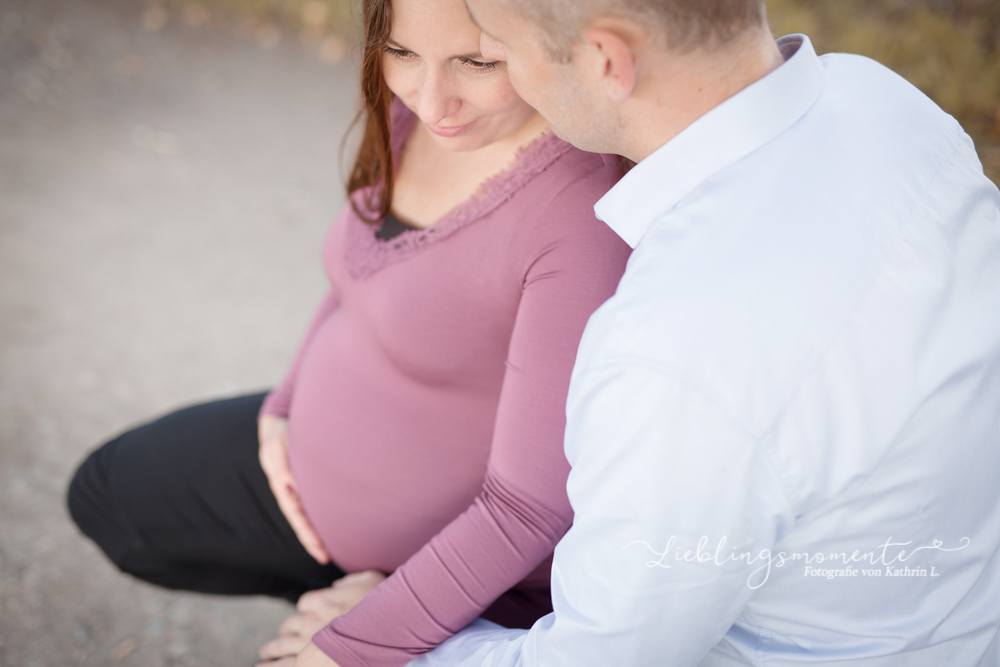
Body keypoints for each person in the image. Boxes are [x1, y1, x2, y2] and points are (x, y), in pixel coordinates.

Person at [291, 0, 1000, 666]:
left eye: (496, 48)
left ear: (606, 60)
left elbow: (600, 655)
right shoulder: (883, 102)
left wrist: (390, 642)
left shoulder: (673, 356)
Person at [65, 0, 631, 664]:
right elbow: (356, 275)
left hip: (462, 556)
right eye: (400, 53)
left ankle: (391, 598)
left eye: (476, 62)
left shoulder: (579, 212)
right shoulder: (411, 116)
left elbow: (529, 510)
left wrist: (350, 643)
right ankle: (339, 585)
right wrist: (286, 399)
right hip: (308, 465)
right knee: (109, 494)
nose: (431, 99)